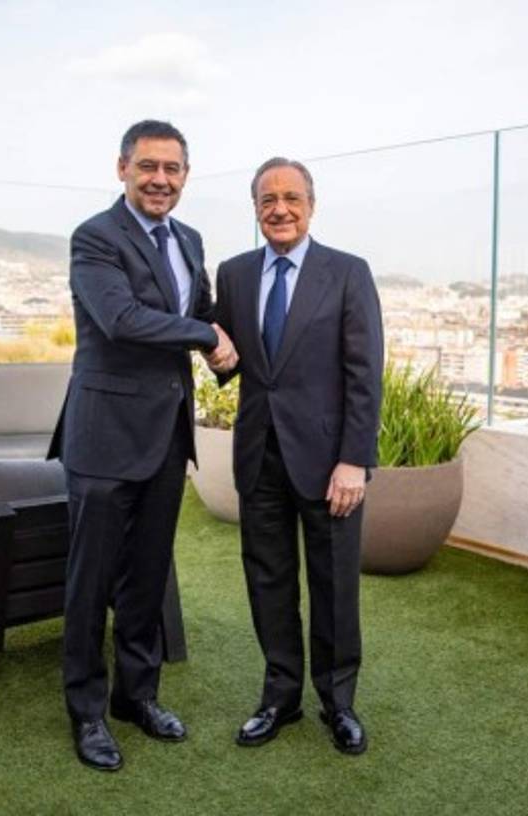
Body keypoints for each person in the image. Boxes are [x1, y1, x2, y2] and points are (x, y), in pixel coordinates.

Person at [48, 120, 238, 772]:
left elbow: (207, 314)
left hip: (164, 438)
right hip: (102, 439)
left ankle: (137, 697)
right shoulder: (95, 237)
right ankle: (87, 713)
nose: (160, 179)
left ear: (186, 175)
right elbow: (121, 320)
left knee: (145, 580)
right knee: (89, 583)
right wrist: (206, 337)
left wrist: (235, 348)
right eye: (148, 166)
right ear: (122, 167)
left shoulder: (188, 239)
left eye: (173, 169)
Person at [212, 157, 384, 755]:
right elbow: (231, 356)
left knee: (334, 586)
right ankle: (280, 697)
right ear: (255, 208)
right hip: (259, 455)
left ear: (312, 205)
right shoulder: (232, 275)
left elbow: (365, 375)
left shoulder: (348, 273)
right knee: (269, 579)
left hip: (330, 463)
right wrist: (216, 355)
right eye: (267, 200)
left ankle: (339, 705)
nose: (279, 209)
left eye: (291, 198)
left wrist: (354, 460)